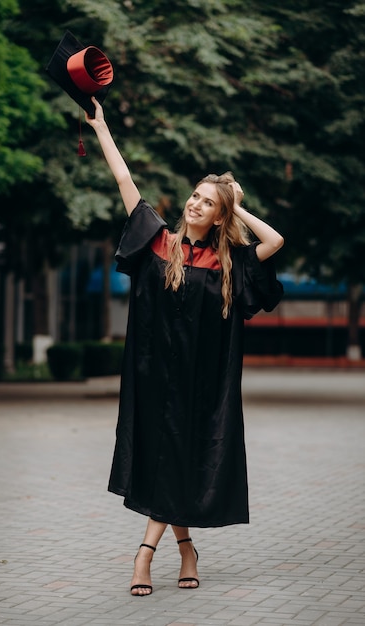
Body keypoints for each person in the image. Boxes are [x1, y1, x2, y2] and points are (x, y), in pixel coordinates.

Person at [85, 96, 284, 596]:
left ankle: (144, 556)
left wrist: (236, 203)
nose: (196, 203)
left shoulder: (230, 263)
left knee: (174, 463)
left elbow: (275, 240)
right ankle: (186, 549)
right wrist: (102, 127)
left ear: (219, 216)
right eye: (194, 196)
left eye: (208, 202)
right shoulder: (157, 242)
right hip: (154, 376)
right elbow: (125, 181)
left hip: (201, 384)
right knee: (164, 462)